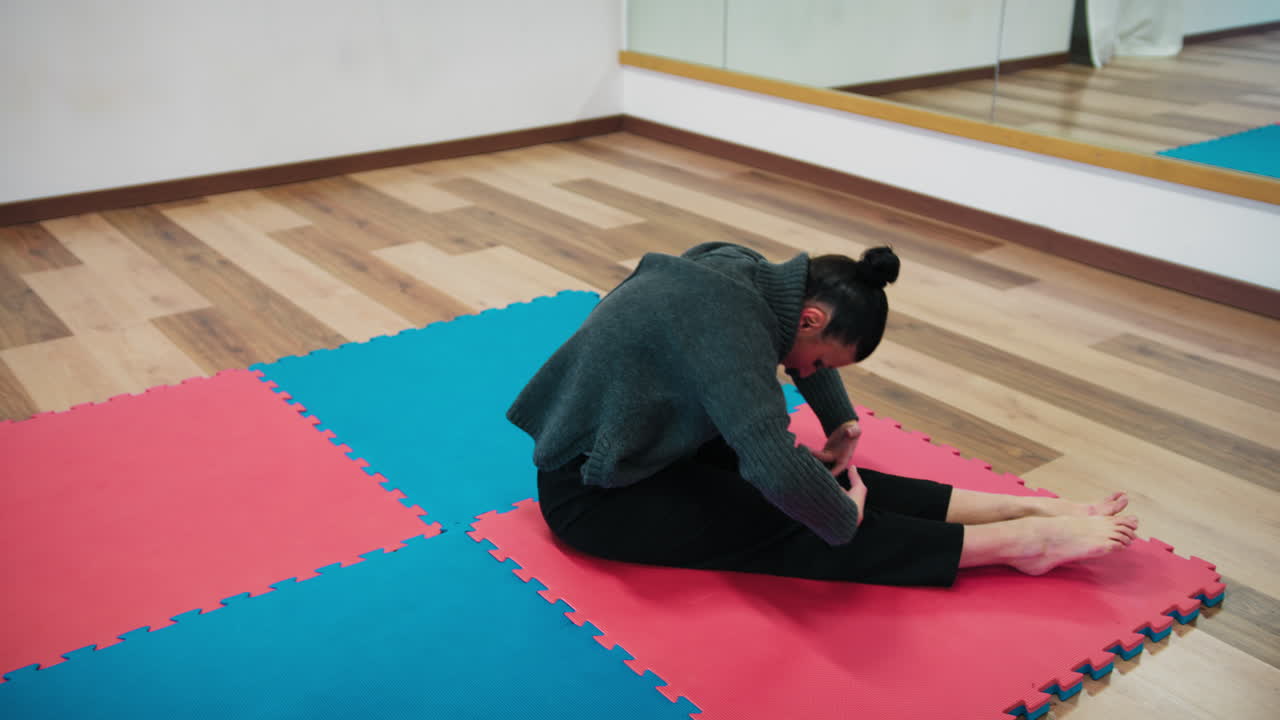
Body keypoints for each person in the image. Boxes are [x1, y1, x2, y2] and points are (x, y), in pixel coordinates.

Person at [507, 242, 1138, 587]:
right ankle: (1017, 542)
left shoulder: (737, 267)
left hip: (654, 444)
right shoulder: (730, 329)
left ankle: (1015, 505)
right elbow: (773, 464)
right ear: (809, 319)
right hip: (594, 492)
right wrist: (841, 517)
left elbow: (805, 366)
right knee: (801, 517)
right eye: (819, 360)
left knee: (825, 478)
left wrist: (842, 426)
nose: (808, 373)